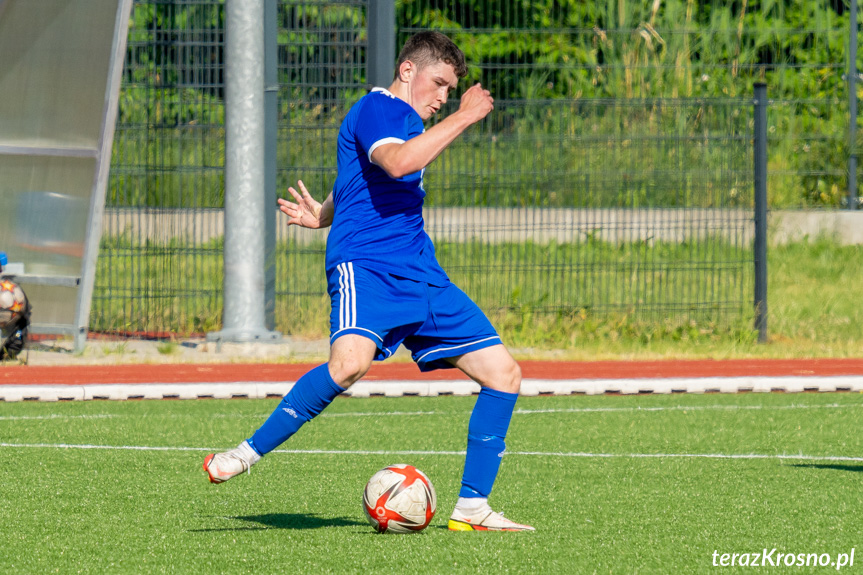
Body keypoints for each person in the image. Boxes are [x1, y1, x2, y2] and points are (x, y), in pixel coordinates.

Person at [203, 31, 533, 532]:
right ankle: (245, 453)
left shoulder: (399, 121)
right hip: (370, 266)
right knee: (349, 366)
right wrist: (467, 115)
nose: (443, 97)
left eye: (450, 90)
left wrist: (326, 213)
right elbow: (398, 162)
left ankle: (472, 508)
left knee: (504, 374)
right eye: (439, 83)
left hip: (420, 271)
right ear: (407, 72)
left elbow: (360, 173)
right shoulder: (378, 108)